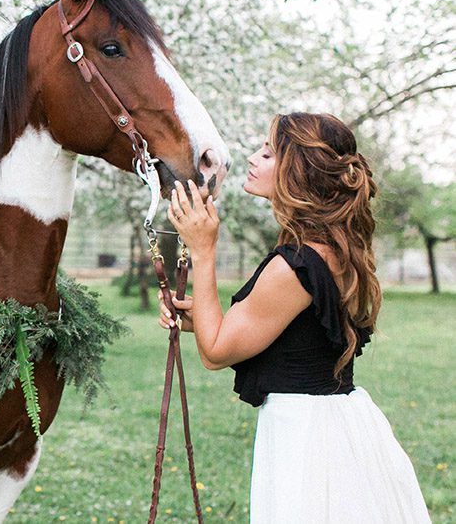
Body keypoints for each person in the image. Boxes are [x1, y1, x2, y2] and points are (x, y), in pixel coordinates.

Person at [159, 112, 431, 523]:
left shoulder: (294, 265)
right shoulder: (334, 248)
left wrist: (203, 248)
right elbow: (295, 335)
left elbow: (215, 353)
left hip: (306, 438)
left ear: (297, 170)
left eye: (268, 153)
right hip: (342, 425)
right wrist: (205, 317)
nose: (252, 158)